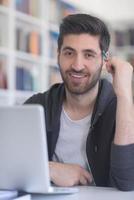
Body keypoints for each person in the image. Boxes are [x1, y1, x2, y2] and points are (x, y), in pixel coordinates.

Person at [25, 14, 134, 191]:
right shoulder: (38, 106)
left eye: (88, 55)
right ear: (58, 54)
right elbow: (6, 163)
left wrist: (125, 94)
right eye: (69, 53)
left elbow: (127, 182)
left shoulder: (122, 108)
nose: (77, 65)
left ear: (105, 60)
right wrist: (49, 169)